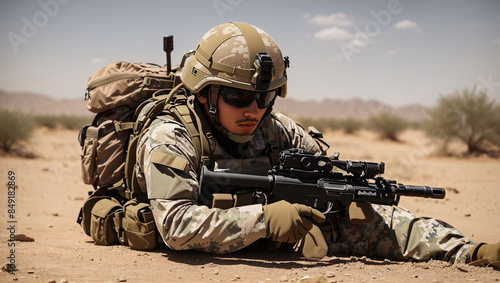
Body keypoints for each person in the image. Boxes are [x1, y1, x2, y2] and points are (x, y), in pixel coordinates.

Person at [135, 22, 499, 265]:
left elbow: (329, 173)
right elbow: (177, 226)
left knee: (364, 215)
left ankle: (469, 252)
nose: (254, 110)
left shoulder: (278, 130)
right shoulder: (172, 135)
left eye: (266, 98)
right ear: (205, 94)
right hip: (228, 234)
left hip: (277, 234)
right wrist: (264, 219)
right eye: (237, 97)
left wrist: (346, 197)